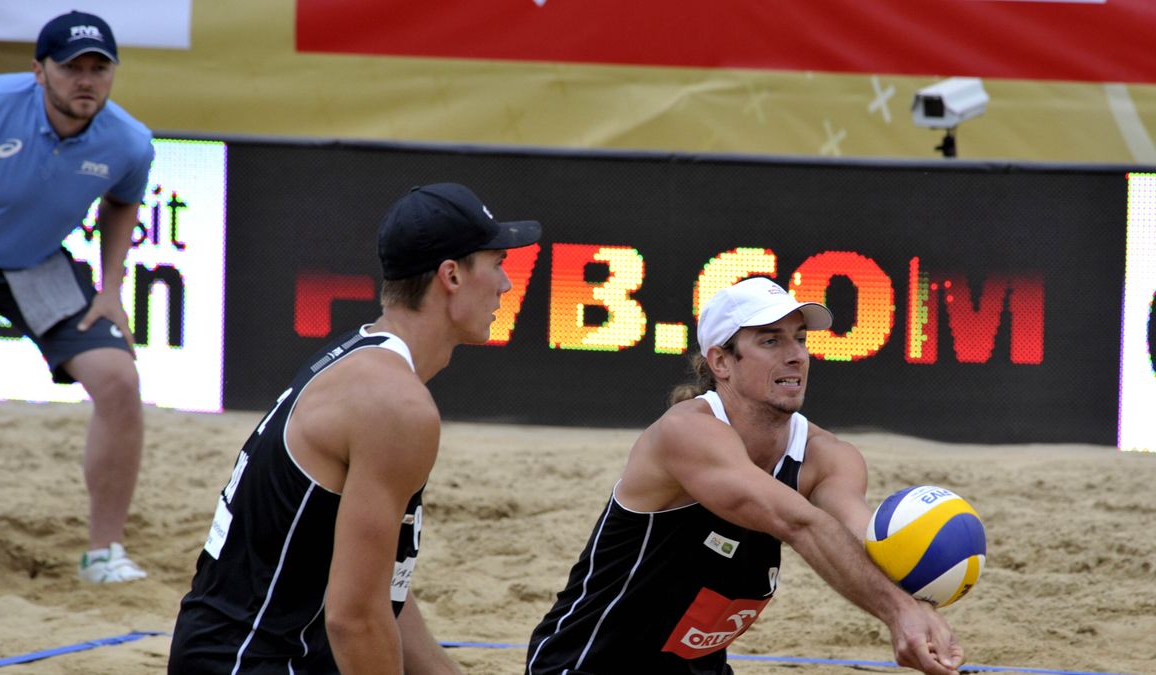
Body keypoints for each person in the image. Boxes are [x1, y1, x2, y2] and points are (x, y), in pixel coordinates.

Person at [168, 183, 542, 674]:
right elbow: (355, 620)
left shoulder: (363, 357)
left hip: (234, 649)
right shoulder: (395, 405)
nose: (505, 285)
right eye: (497, 265)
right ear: (451, 274)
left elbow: (382, 595)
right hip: (251, 662)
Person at [526, 276, 965, 675]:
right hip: (589, 664)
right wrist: (897, 613)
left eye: (799, 339)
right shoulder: (686, 431)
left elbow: (861, 541)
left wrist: (917, 602)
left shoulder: (829, 456)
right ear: (720, 362)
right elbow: (799, 523)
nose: (796, 355)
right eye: (771, 341)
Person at [0, 11, 154, 583]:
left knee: (119, 380)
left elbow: (122, 201)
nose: (85, 80)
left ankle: (103, 554)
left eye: (99, 68)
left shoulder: (129, 143)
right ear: (40, 71)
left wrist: (112, 287)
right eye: (72, 68)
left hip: (36, 262)